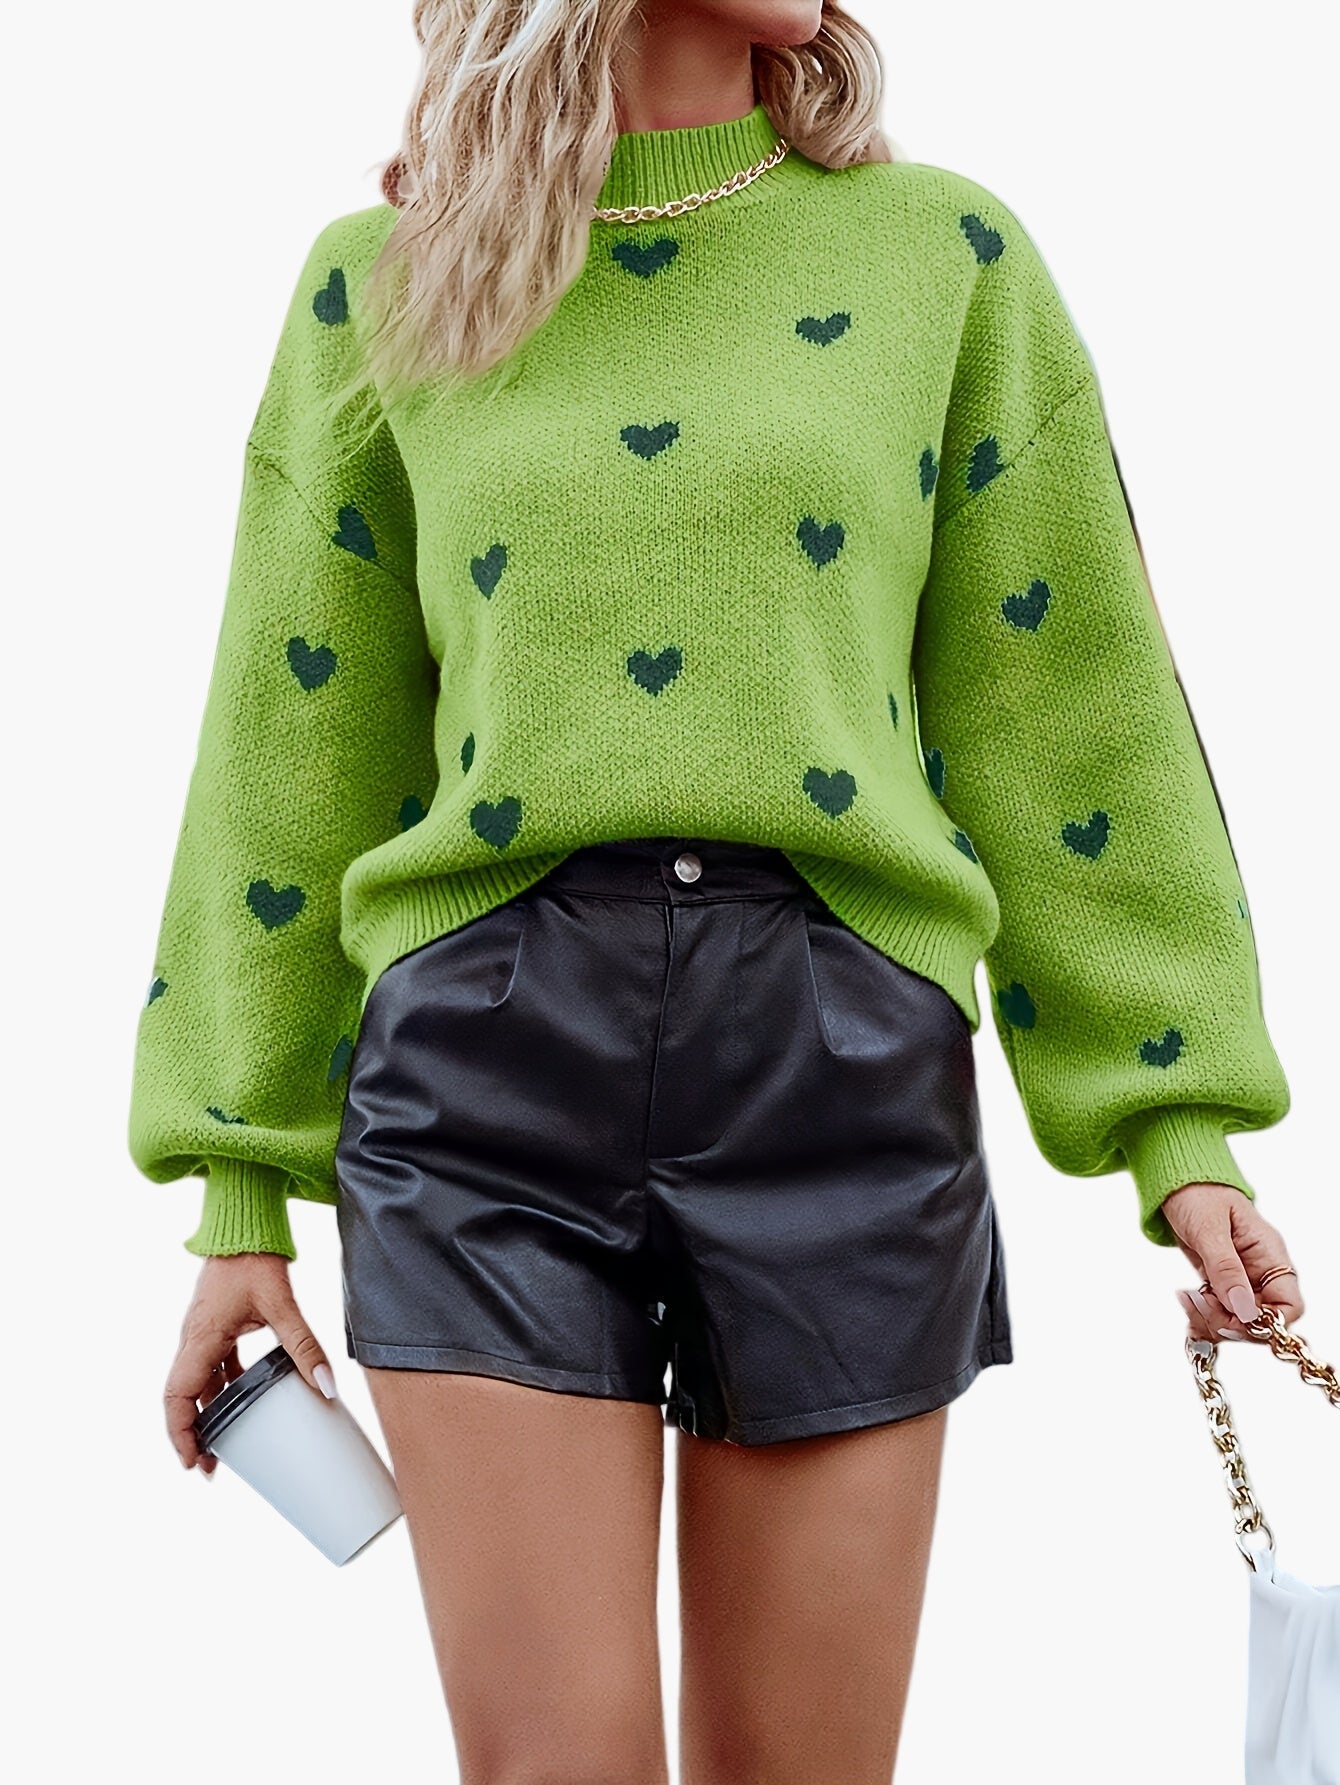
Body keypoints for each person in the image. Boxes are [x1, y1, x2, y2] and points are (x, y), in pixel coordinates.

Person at [127, 1, 1306, 1778]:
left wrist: (1181, 1130)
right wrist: (238, 1192)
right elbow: (290, 740)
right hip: (482, 1090)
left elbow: (1074, 715)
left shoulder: (944, 260)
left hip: (841, 1070)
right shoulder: (379, 285)